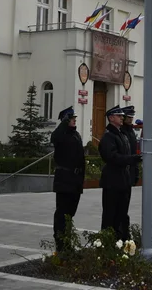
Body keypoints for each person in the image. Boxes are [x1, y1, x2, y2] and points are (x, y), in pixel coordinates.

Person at [99, 105, 142, 240]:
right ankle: (108, 243)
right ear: (111, 118)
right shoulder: (109, 136)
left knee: (122, 212)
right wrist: (132, 159)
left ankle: (122, 239)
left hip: (123, 179)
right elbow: (112, 157)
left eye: (122, 116)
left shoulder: (121, 134)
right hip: (113, 180)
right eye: (119, 116)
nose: (122, 118)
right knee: (110, 214)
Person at [51, 106, 85, 251]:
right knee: (62, 213)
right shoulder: (61, 134)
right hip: (64, 179)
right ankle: (61, 244)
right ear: (65, 120)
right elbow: (54, 138)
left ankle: (68, 241)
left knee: (70, 213)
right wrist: (63, 123)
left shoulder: (75, 134)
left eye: (74, 118)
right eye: (71, 119)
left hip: (75, 180)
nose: (74, 121)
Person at [119, 105, 140, 239]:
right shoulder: (122, 131)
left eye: (132, 117)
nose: (131, 119)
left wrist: (135, 171)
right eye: (129, 117)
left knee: (125, 205)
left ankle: (125, 233)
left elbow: (134, 152)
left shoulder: (131, 131)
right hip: (122, 172)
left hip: (130, 171)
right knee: (120, 207)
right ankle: (122, 233)